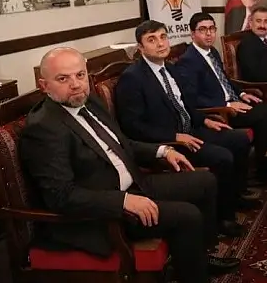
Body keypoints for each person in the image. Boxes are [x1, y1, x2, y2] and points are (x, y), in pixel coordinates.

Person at [18, 47, 240, 283]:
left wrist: (162, 151)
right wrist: (123, 201)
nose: (75, 84)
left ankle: (197, 259)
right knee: (188, 215)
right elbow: (61, 196)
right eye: (63, 79)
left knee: (205, 181)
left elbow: (122, 143)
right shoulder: (43, 128)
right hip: (101, 214)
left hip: (132, 184)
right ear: (44, 85)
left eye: (80, 75)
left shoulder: (89, 102)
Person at [115, 20, 258, 238]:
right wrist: (174, 136)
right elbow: (132, 127)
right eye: (152, 40)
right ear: (140, 48)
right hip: (170, 142)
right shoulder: (132, 78)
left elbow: (186, 104)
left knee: (238, 140)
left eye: (163, 37)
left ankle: (234, 197)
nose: (160, 44)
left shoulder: (170, 69)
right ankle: (223, 219)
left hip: (190, 130)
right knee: (222, 157)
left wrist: (205, 120)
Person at [175, 12, 267, 186]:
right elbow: (193, 99)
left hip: (233, 101)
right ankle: (262, 172)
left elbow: (225, 79)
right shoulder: (188, 61)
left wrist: (241, 94)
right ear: (192, 34)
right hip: (220, 111)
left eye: (211, 29)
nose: (208, 34)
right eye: (203, 30)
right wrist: (227, 104)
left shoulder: (212, 52)